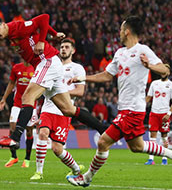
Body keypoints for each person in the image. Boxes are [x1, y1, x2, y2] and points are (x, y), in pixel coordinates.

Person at [66, 16, 171, 187]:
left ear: (127, 31)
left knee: (102, 142)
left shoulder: (142, 50)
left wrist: (149, 65)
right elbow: (107, 75)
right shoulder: (120, 53)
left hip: (133, 109)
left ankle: (86, 178)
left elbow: (165, 70)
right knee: (136, 147)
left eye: (122, 29)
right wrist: (83, 77)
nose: (120, 33)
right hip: (125, 108)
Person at [0, 12, 106, 149]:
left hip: (46, 61)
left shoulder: (18, 27)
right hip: (50, 65)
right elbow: (39, 26)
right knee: (68, 109)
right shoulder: (10, 35)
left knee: (27, 96)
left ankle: (14, 138)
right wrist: (54, 34)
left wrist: (42, 42)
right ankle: (104, 129)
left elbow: (44, 18)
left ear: (3, 24)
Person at [30, 38, 86, 180]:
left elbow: (80, 92)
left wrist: (61, 93)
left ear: (73, 50)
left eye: (67, 47)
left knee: (57, 149)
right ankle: (39, 172)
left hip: (64, 111)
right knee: (42, 133)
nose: (63, 49)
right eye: (61, 47)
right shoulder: (52, 65)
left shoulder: (77, 68)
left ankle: (76, 169)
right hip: (48, 108)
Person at [0, 61, 37, 168]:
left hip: (30, 104)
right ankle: (14, 157)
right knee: (12, 128)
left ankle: (27, 159)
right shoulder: (16, 68)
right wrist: (4, 99)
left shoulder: (35, 68)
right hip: (17, 103)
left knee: (29, 131)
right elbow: (11, 83)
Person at [144, 64, 172, 165]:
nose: (163, 72)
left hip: (164, 114)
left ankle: (164, 159)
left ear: (168, 72)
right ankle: (151, 159)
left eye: (166, 70)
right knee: (152, 136)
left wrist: (169, 114)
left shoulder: (171, 85)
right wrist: (141, 106)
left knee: (164, 137)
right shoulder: (154, 83)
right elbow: (148, 98)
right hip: (154, 113)